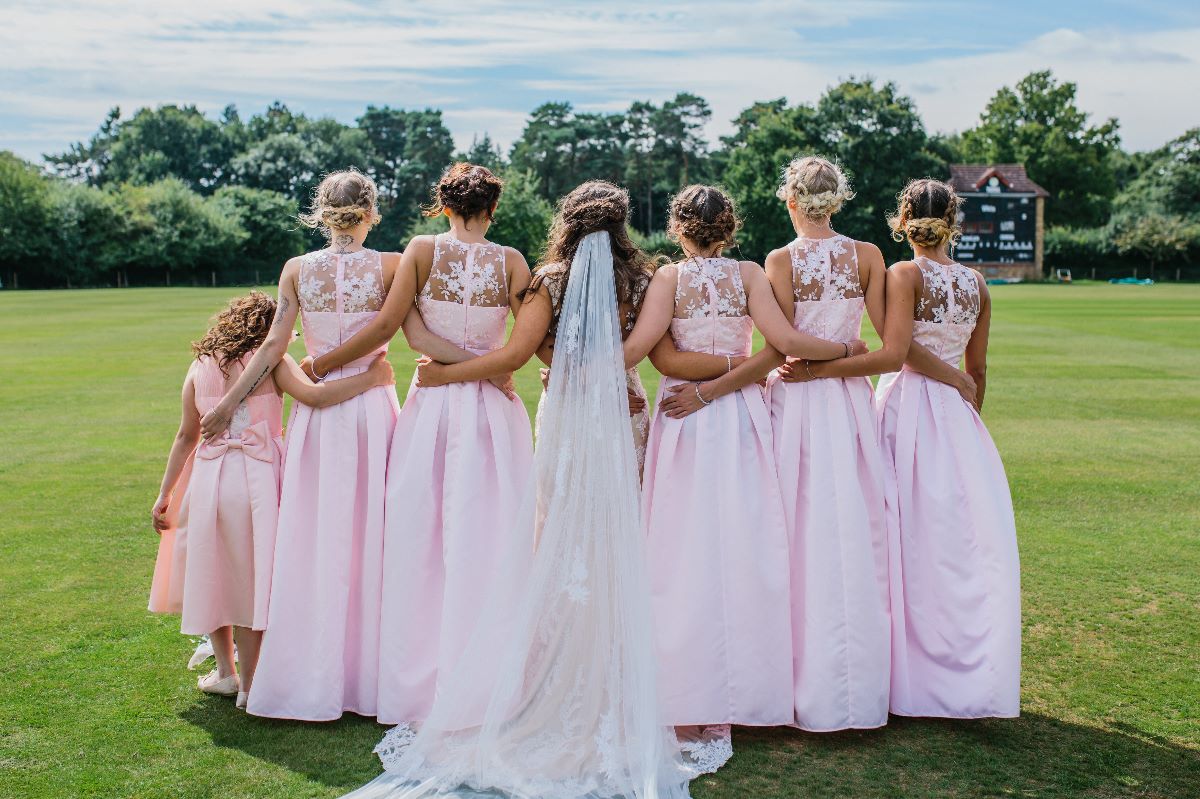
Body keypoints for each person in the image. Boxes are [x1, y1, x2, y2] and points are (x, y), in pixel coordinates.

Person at [344, 181, 698, 799]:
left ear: (566, 219)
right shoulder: (644, 280)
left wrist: (465, 370)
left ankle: (553, 669)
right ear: (621, 226)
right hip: (625, 410)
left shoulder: (548, 277)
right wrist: (600, 364)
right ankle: (617, 672)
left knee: (554, 531)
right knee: (622, 531)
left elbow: (523, 348)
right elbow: (636, 352)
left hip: (566, 411)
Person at [315, 162, 535, 725]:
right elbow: (534, 341)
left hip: (433, 403)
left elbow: (407, 332)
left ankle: (417, 682)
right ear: (493, 209)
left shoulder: (420, 249)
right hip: (490, 407)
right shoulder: (512, 261)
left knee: (422, 537)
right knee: (491, 536)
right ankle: (489, 677)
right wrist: (490, 368)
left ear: (442, 205)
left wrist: (457, 368)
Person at [806, 178, 1021, 718]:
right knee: (959, 544)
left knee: (903, 538)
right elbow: (978, 370)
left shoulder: (903, 274)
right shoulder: (977, 282)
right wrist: (967, 409)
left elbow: (897, 353)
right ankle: (967, 671)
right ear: (955, 221)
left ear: (902, 221)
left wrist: (821, 368)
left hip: (910, 410)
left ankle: (909, 677)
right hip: (959, 418)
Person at [199, 168, 404, 720]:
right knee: (374, 533)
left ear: (320, 211)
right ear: (371, 212)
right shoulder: (390, 264)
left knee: (316, 533)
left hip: (318, 413)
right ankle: (368, 671)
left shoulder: (297, 269)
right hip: (368, 404)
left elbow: (271, 347)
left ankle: (313, 664)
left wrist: (228, 403)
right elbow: (390, 332)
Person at [149, 291, 393, 709]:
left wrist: (165, 493)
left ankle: (224, 672)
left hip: (208, 480)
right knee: (253, 578)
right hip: (257, 478)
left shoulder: (200, 366)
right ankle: (250, 684)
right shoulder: (274, 363)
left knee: (215, 572)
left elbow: (185, 435)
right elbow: (314, 397)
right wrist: (372, 379)